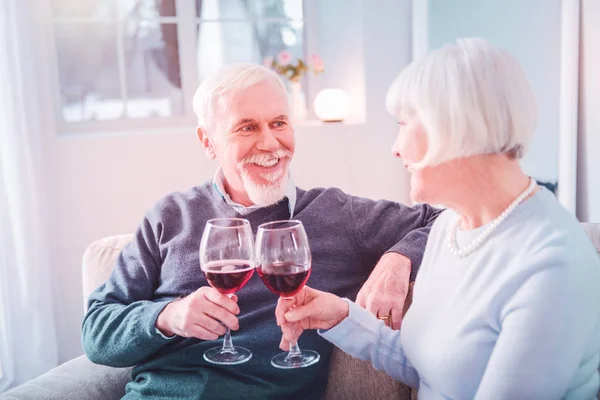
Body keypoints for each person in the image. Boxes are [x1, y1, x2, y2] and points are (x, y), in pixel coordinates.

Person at [81, 63, 441, 399]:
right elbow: (97, 333)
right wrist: (167, 317)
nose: (271, 144)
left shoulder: (337, 213)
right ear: (208, 142)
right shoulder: (170, 217)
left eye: (279, 123)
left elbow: (444, 220)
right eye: (247, 127)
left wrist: (398, 258)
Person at [276, 38, 600, 399]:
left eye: (403, 124)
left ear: (453, 130)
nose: (395, 148)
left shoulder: (551, 266)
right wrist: (339, 316)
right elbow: (427, 369)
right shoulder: (452, 227)